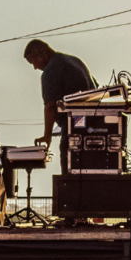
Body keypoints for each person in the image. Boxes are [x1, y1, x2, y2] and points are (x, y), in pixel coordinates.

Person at [23, 39, 97, 175]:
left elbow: (50, 106)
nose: (35, 67)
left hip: (73, 127)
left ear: (39, 56)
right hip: (94, 127)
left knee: (69, 170)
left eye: (33, 62)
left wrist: (47, 136)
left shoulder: (51, 70)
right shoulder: (75, 61)